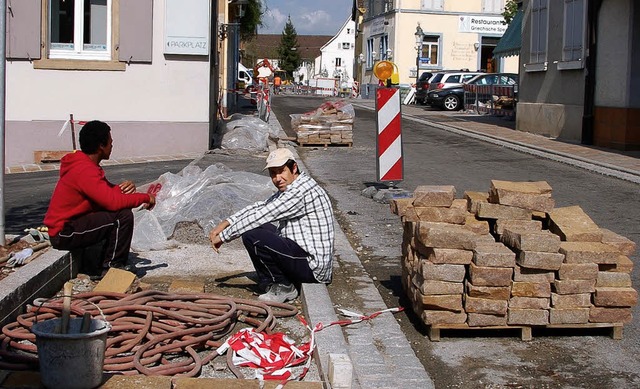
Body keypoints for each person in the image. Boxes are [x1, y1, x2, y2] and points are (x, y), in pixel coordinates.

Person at [209, 148, 335, 303]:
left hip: (312, 268)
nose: (277, 178)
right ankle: (270, 280)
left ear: (294, 168)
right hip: (301, 254)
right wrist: (225, 224)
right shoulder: (295, 186)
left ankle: (283, 286)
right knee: (259, 229)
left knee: (253, 235)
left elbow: (262, 215)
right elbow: (260, 207)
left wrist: (223, 237)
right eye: (273, 174)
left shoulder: (300, 192)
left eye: (281, 171)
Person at [44, 120, 155, 278]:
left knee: (117, 212)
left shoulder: (85, 165)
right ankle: (113, 268)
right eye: (110, 142)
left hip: (72, 226)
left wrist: (125, 190)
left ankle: (100, 264)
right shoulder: (84, 170)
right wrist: (145, 197)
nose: (112, 146)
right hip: (64, 233)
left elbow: (107, 193)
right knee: (122, 216)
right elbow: (112, 202)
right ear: (101, 146)